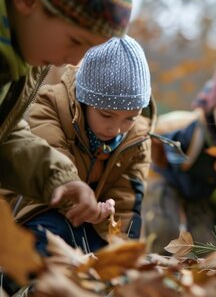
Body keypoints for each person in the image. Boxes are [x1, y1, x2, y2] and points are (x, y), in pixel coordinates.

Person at [0, 0, 132, 226]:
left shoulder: (20, 57)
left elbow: (5, 138)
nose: (75, 61)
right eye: (75, 41)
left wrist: (58, 177)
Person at [9, 36, 153, 255]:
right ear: (83, 100)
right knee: (50, 237)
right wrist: (89, 209)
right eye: (106, 115)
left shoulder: (138, 139)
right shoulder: (49, 107)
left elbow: (127, 203)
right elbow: (53, 164)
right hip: (39, 209)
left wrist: (124, 253)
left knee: (104, 255)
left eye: (130, 118)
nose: (115, 128)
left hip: (95, 225)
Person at [145, 57, 216, 253]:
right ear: (213, 107)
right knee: (164, 230)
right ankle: (154, 267)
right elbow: (152, 140)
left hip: (206, 197)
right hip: (170, 183)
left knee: (208, 247)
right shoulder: (191, 130)